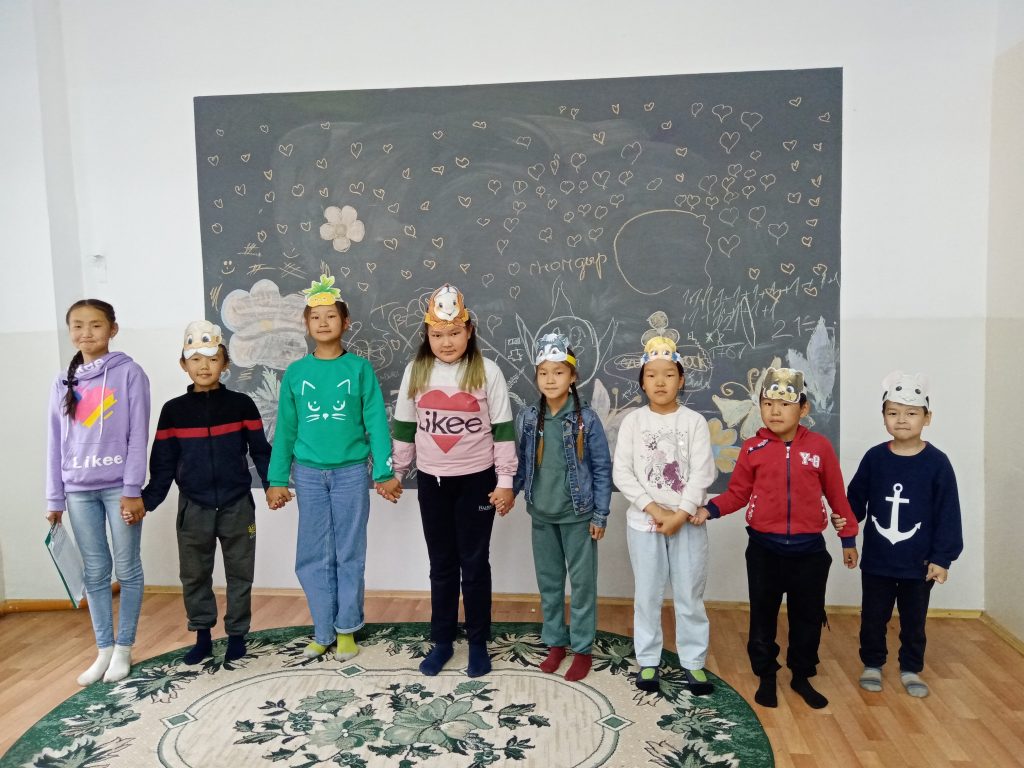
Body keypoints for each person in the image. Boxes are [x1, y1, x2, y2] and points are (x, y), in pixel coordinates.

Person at [692, 367, 859, 710]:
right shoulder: (753, 448)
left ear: (803, 408)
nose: (775, 411)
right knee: (762, 616)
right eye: (768, 404)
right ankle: (766, 675)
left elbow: (836, 496)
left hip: (809, 553)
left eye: (784, 404)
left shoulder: (820, 448)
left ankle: (801, 675)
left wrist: (848, 539)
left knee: (807, 618)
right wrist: (710, 510)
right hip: (764, 551)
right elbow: (738, 493)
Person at [376, 284, 517, 678]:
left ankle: (478, 643)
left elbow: (503, 431)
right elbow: (405, 427)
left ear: (469, 330)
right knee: (441, 564)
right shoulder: (416, 371)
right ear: (427, 335)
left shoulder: (487, 371)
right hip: (433, 484)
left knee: (474, 563)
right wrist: (397, 472)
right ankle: (442, 641)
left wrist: (505, 480)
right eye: (438, 335)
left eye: (454, 333)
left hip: (477, 483)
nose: (447, 342)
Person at [266, 275, 395, 661]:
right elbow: (285, 429)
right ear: (306, 324)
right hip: (307, 475)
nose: (323, 323)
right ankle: (322, 628)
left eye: (331, 316)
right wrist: (277, 479)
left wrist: (383, 471)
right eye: (315, 317)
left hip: (351, 473)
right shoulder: (296, 373)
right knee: (312, 554)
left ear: (345, 322)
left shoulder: (359, 369)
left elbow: (376, 423)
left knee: (348, 552)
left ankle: (347, 628)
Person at [141, 321, 273, 665]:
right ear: (183, 364)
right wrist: (147, 501)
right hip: (194, 507)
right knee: (194, 574)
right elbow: (163, 463)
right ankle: (202, 636)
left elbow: (260, 450)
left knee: (240, 572)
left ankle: (237, 635)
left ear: (224, 363)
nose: (204, 366)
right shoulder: (173, 412)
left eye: (212, 359)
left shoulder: (241, 404)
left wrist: (272, 485)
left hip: (236, 505)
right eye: (195, 359)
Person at [46, 299, 151, 685]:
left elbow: (138, 434)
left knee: (127, 568)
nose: (86, 333)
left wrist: (132, 489)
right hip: (77, 491)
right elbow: (55, 442)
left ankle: (124, 648)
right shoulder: (62, 381)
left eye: (95, 325)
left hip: (119, 489)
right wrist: (54, 498)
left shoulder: (129, 373)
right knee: (94, 571)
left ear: (112, 329)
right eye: (77, 325)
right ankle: (103, 649)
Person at [843, 371, 962, 698]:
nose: (902, 420)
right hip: (878, 561)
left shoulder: (937, 463)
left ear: (927, 418)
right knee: (873, 617)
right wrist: (847, 534)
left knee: (914, 621)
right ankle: (872, 664)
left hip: (918, 563)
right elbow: (854, 501)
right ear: (883, 417)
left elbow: (948, 514)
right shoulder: (874, 458)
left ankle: (911, 668)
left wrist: (942, 558)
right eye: (893, 412)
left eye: (911, 413)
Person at [612, 334, 717, 695]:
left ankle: (693, 662)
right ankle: (648, 660)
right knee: (648, 594)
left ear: (681, 380)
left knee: (689, 594)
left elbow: (703, 472)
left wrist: (680, 514)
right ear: (642, 382)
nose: (660, 382)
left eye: (669, 374)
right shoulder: (633, 422)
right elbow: (622, 472)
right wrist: (655, 510)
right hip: (645, 523)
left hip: (687, 523)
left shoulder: (694, 422)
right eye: (652, 375)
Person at [512, 333, 612, 682]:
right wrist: (508, 492)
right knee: (550, 584)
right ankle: (556, 642)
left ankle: (582, 648)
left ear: (572, 377)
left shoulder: (587, 420)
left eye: (558, 372)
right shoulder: (528, 418)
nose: (550, 379)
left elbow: (602, 469)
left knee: (582, 586)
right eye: (543, 373)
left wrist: (600, 514)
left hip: (578, 516)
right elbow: (522, 465)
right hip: (542, 514)